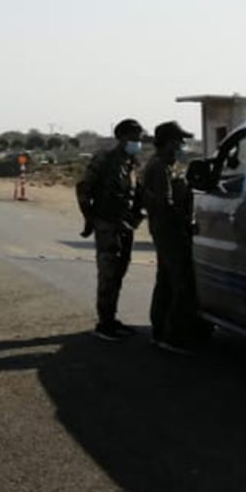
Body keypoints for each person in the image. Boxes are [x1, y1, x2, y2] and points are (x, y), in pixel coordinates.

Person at [76, 118, 146, 342]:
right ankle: (104, 323)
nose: (138, 142)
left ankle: (111, 318)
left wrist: (136, 218)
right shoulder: (104, 160)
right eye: (135, 138)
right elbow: (84, 189)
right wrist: (89, 220)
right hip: (107, 224)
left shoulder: (131, 162)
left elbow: (135, 195)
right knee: (108, 273)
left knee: (119, 271)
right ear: (123, 137)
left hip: (124, 225)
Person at [143, 121, 206, 354]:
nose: (181, 146)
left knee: (166, 282)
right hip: (169, 232)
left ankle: (160, 332)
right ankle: (173, 335)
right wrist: (186, 223)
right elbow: (165, 204)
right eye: (178, 141)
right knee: (182, 284)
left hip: (166, 231)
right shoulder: (159, 167)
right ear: (168, 142)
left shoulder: (165, 166)